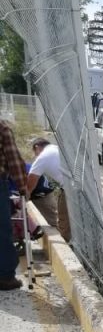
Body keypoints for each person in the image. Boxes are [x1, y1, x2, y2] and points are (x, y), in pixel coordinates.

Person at [0, 118, 27, 291]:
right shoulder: (2, 128)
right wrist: (23, 187)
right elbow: (14, 161)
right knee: (2, 230)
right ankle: (5, 277)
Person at [27, 137, 71, 243]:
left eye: (35, 152)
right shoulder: (56, 149)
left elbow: (32, 178)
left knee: (63, 220)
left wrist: (26, 195)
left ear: (37, 147)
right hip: (74, 186)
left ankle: (66, 244)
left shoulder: (43, 156)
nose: (35, 155)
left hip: (68, 189)